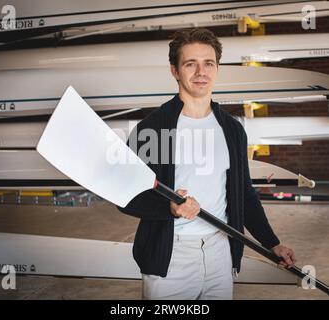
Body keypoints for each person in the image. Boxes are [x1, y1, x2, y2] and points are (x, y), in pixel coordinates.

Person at [117, 28, 296, 300]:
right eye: (191, 64)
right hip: (171, 257)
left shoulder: (232, 129)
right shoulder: (152, 129)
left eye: (208, 63)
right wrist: (170, 207)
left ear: (217, 69)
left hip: (221, 252)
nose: (201, 72)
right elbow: (123, 195)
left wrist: (272, 243)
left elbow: (244, 193)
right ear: (175, 71)